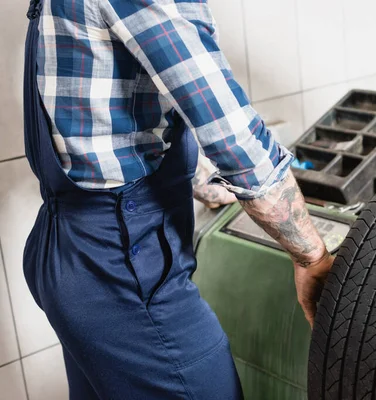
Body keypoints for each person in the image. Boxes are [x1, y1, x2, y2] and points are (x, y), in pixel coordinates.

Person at [22, 0, 334, 398]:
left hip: (67, 247)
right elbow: (230, 132)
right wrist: (311, 256)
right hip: (123, 264)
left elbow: (114, 112)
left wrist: (201, 179)